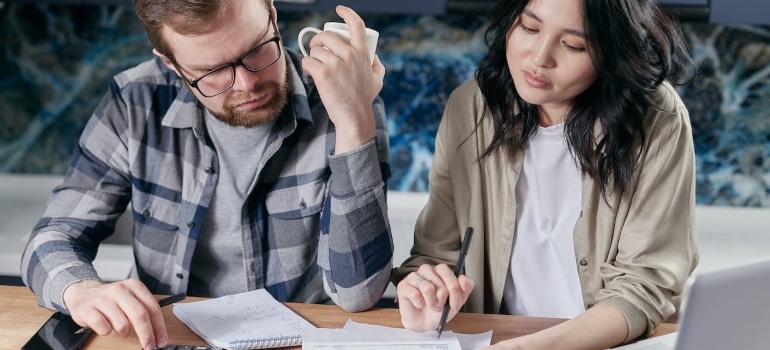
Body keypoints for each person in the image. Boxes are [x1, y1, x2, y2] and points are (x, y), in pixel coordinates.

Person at [20, 0, 393, 349]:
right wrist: (81, 290)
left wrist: (354, 123)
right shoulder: (134, 101)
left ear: (273, 16)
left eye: (256, 51)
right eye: (211, 73)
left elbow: (357, 291)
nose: (247, 85)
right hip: (169, 337)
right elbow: (54, 236)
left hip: (299, 341)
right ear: (171, 64)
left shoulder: (346, 96)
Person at [392, 0, 698, 348]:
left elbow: (645, 287)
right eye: (529, 28)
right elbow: (437, 255)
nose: (539, 58)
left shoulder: (657, 118)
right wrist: (427, 293)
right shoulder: (471, 107)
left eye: (573, 45)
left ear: (613, 50)